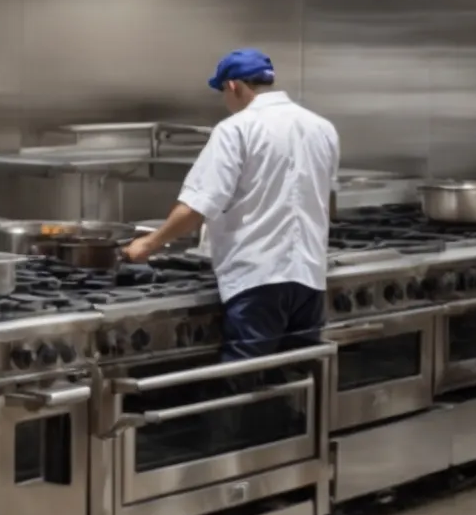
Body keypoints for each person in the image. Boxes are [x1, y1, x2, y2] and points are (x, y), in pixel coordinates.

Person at [124, 49, 339, 360]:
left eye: (223, 91)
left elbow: (198, 206)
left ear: (234, 86)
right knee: (298, 379)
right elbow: (324, 199)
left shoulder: (236, 129)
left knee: (245, 384)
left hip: (257, 281)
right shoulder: (322, 128)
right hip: (309, 278)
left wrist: (147, 244)